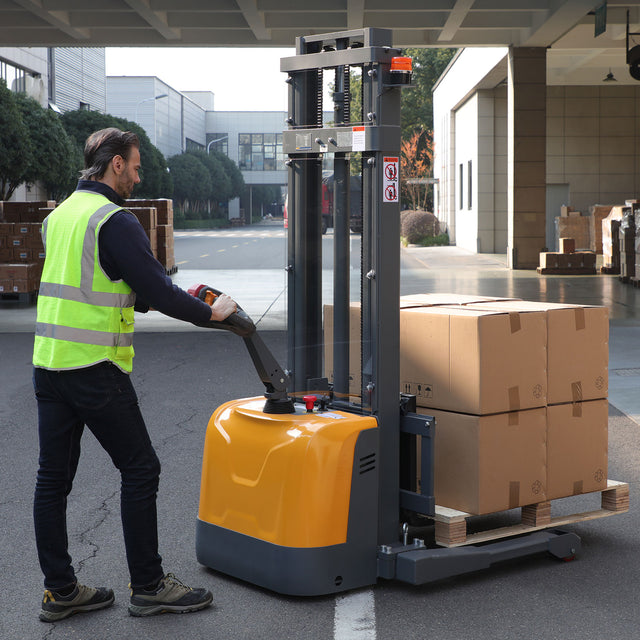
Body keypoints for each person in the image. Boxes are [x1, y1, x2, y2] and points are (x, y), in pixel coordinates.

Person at [32, 127, 236, 622]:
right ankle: (149, 586)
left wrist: (151, 295)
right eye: (136, 167)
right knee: (141, 469)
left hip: (49, 365)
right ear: (116, 164)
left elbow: (97, 281)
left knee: (52, 482)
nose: (139, 177)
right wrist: (212, 313)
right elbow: (160, 292)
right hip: (95, 368)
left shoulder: (59, 216)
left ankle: (61, 591)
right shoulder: (114, 220)